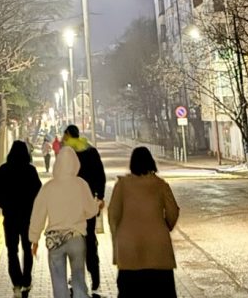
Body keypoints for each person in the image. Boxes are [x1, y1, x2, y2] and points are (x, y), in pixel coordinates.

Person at [107, 146, 180, 298]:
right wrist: (165, 226)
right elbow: (173, 211)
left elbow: (113, 215)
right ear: (151, 162)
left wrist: (118, 237)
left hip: (129, 250)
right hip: (158, 249)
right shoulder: (161, 185)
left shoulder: (121, 185)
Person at [29, 145, 100, 298]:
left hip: (55, 241)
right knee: (78, 279)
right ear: (75, 163)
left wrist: (34, 239)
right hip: (76, 238)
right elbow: (90, 211)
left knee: (58, 283)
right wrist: (97, 205)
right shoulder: (81, 184)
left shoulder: (49, 187)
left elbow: (38, 214)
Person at [0, 139, 43, 298]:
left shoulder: (3, 170)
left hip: (10, 217)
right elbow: (39, 191)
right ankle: (27, 281)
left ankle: (16, 283)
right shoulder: (30, 170)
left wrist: (4, 205)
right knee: (27, 249)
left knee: (12, 251)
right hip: (27, 217)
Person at [62, 125, 106, 297]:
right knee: (89, 239)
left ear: (68, 135)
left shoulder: (67, 154)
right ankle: (95, 278)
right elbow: (100, 175)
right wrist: (100, 196)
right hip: (88, 203)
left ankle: (77, 279)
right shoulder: (91, 150)